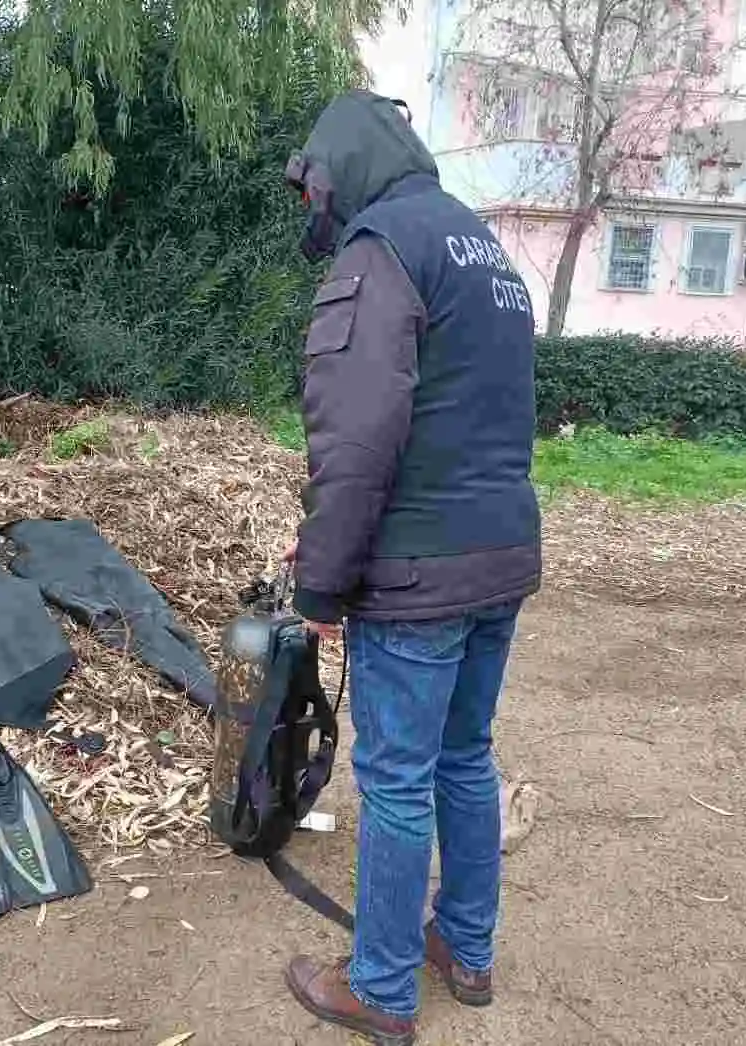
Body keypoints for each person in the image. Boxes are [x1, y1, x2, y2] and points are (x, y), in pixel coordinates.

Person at [279, 89, 542, 1045]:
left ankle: (382, 990)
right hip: (501, 555)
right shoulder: (482, 247)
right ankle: (466, 949)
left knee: (395, 779)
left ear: (339, 171)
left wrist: (320, 582)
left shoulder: (381, 248)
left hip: (420, 575)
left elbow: (356, 438)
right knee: (465, 756)